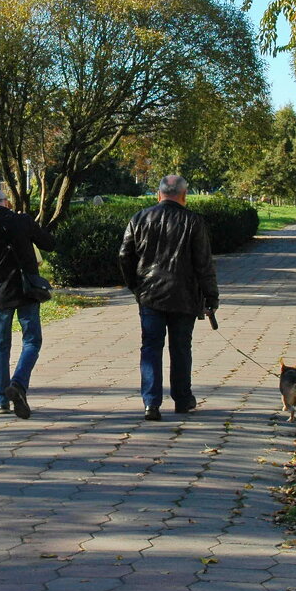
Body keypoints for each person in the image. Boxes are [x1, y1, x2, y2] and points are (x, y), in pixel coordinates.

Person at [118, 174, 219, 421]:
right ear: (184, 196)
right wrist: (211, 296)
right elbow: (203, 263)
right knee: (181, 348)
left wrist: (136, 286)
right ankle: (183, 400)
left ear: (158, 193)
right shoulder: (194, 222)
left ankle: (151, 403)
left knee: (151, 347)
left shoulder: (140, 218)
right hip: (184, 295)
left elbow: (124, 255)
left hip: (149, 295)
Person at [0, 188, 56, 419]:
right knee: (32, 340)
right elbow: (49, 243)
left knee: (0, 346)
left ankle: (1, 401)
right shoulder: (22, 221)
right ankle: (18, 384)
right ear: (5, 203)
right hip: (27, 289)